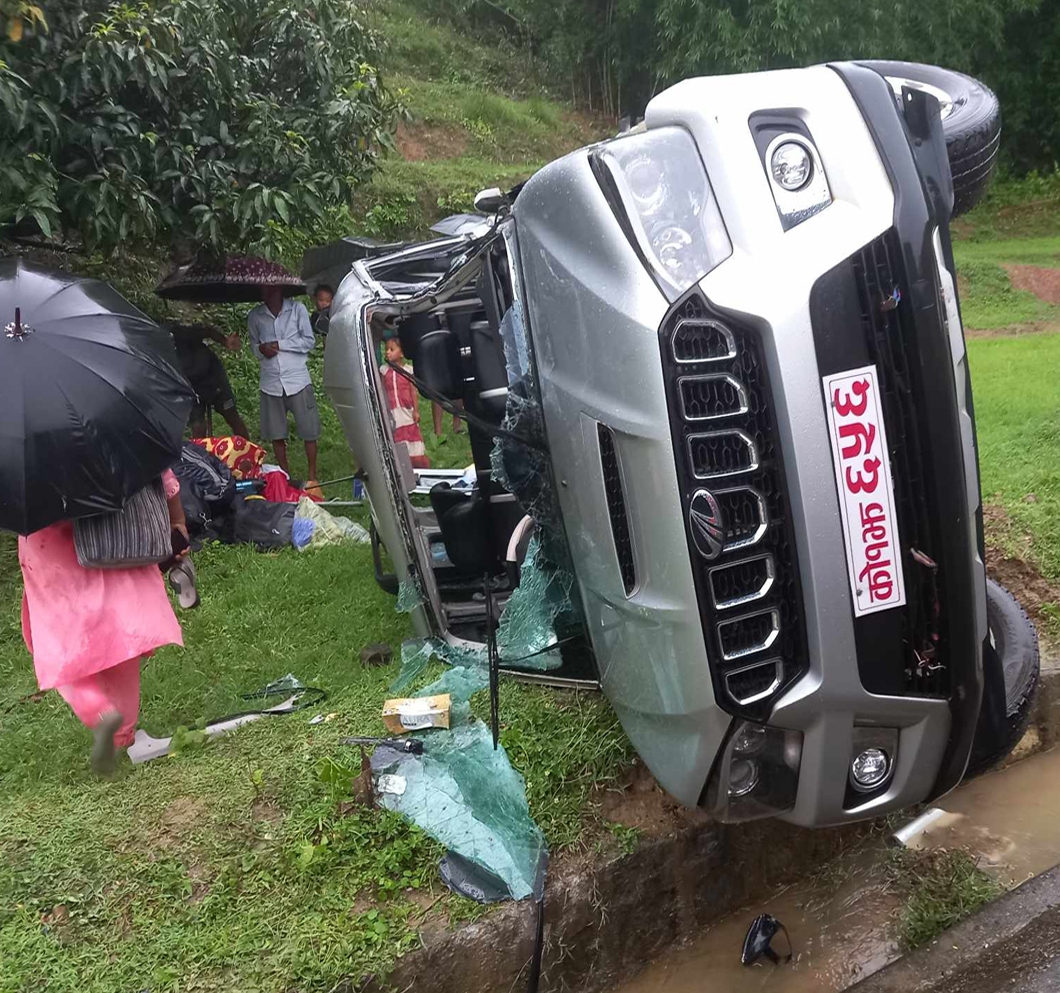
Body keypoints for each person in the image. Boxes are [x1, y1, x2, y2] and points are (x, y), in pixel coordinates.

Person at [18, 471, 189, 774]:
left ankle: (97, 710)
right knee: (121, 639)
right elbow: (164, 478)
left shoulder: (28, 445)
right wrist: (177, 522)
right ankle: (123, 735)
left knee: (58, 644)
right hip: (114, 536)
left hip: (49, 547)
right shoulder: (114, 426)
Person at [246, 286, 320, 484]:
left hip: (297, 379)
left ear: (279, 291)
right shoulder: (255, 315)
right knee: (276, 433)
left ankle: (312, 476)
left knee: (309, 430)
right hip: (270, 381)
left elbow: (308, 341)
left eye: (270, 290)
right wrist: (261, 349)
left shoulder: (297, 310)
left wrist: (280, 345)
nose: (266, 294)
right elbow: (254, 346)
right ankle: (285, 477)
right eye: (264, 291)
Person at [166, 321, 251, 440]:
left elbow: (208, 331)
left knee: (231, 415)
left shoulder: (189, 333)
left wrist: (225, 341)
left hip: (214, 380)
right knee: (197, 423)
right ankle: (200, 456)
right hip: (192, 387)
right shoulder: (166, 349)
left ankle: (248, 451)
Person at [382, 335, 429, 468]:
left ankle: (417, 464)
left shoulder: (409, 370)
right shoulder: (384, 371)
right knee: (397, 435)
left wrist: (416, 410)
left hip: (407, 410)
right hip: (392, 411)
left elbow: (413, 391)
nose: (387, 352)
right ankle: (401, 464)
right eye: (386, 349)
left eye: (392, 349)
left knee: (411, 434)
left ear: (402, 353)